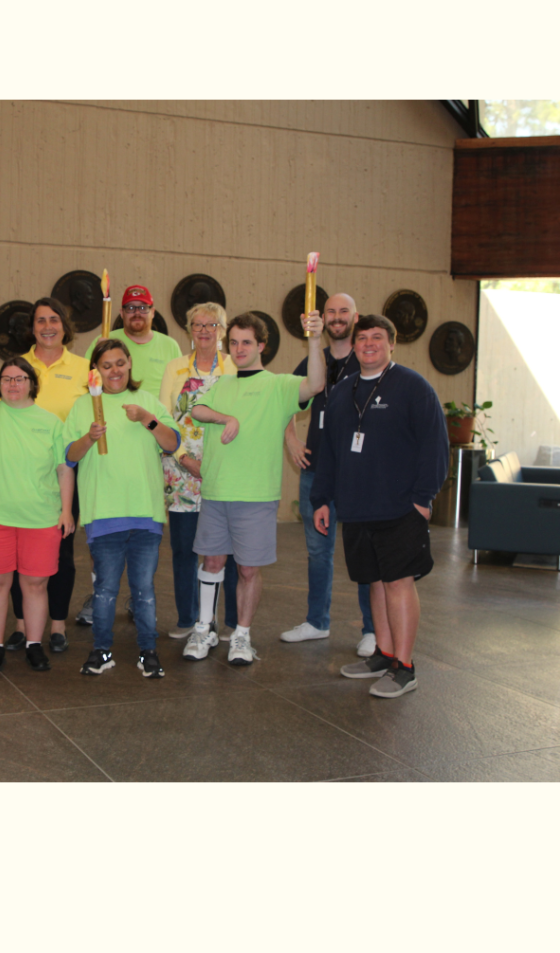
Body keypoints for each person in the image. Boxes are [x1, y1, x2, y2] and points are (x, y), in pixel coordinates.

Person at [311, 314, 449, 698]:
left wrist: (423, 499)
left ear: (392, 344)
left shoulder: (413, 388)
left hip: (400, 507)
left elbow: (435, 447)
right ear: (353, 346)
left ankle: (404, 668)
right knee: (373, 581)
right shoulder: (342, 391)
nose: (369, 344)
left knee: (398, 583)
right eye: (362, 338)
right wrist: (321, 498)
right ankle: (384, 655)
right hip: (356, 507)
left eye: (377, 338)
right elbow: (331, 452)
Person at [186, 310, 324, 664]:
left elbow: (316, 384)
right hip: (216, 491)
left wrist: (314, 338)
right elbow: (197, 410)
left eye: (246, 342)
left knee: (248, 569)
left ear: (262, 345)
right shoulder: (222, 384)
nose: (239, 348)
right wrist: (225, 417)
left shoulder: (279, 385)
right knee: (211, 562)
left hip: (256, 495)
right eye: (233, 342)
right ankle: (204, 628)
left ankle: (242, 637)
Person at [63, 338, 180, 679]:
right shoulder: (84, 406)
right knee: (105, 590)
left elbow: (172, 444)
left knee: (143, 589)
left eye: (119, 362)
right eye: (105, 365)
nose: (113, 370)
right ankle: (102, 650)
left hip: (145, 513)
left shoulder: (147, 402)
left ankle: (148, 651)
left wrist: (148, 419)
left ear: (129, 364)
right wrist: (89, 437)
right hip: (103, 512)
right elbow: (70, 456)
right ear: (95, 372)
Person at [0, 334, 75, 672]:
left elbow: (63, 469)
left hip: (40, 517)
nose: (12, 384)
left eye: (19, 378)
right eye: (6, 379)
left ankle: (34, 644)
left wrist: (66, 511)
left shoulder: (51, 422)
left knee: (35, 585)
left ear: (32, 384)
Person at [281, 292, 376, 656]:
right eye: (330, 312)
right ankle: (317, 622)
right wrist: (290, 437)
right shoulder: (313, 359)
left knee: (362, 550)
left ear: (356, 317)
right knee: (318, 551)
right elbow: (285, 400)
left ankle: (371, 629)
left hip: (358, 475)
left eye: (343, 312)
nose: (336, 318)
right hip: (317, 472)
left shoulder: (365, 360)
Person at [7, 297, 88, 652]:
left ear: (64, 325)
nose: (47, 326)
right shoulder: (19, 366)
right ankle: (22, 623)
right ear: (32, 327)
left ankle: (57, 623)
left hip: (69, 468)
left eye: (54, 319)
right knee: (18, 551)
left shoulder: (85, 368)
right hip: (25, 472)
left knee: (62, 549)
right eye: (40, 321)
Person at [158, 301, 239, 643]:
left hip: (226, 471)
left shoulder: (235, 366)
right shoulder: (175, 367)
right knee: (184, 548)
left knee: (229, 551)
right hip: (182, 470)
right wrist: (182, 458)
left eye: (212, 325)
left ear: (222, 331)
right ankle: (188, 617)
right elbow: (163, 418)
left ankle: (229, 620)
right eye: (198, 325)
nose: (204, 330)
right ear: (189, 331)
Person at [83, 284, 181, 398]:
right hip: (114, 412)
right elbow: (88, 382)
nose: (137, 313)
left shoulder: (170, 346)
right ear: (121, 313)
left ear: (152, 312)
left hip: (157, 414)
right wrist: (99, 356)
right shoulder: (104, 342)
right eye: (130, 308)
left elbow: (179, 387)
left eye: (143, 308)